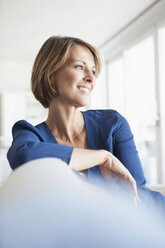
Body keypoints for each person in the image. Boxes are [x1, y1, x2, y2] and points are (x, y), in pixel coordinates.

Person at [7, 36, 165, 209]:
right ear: (51, 75)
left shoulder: (112, 124)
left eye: (93, 71)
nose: (91, 78)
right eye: (79, 67)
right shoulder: (30, 134)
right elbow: (25, 157)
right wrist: (104, 158)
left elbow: (138, 195)